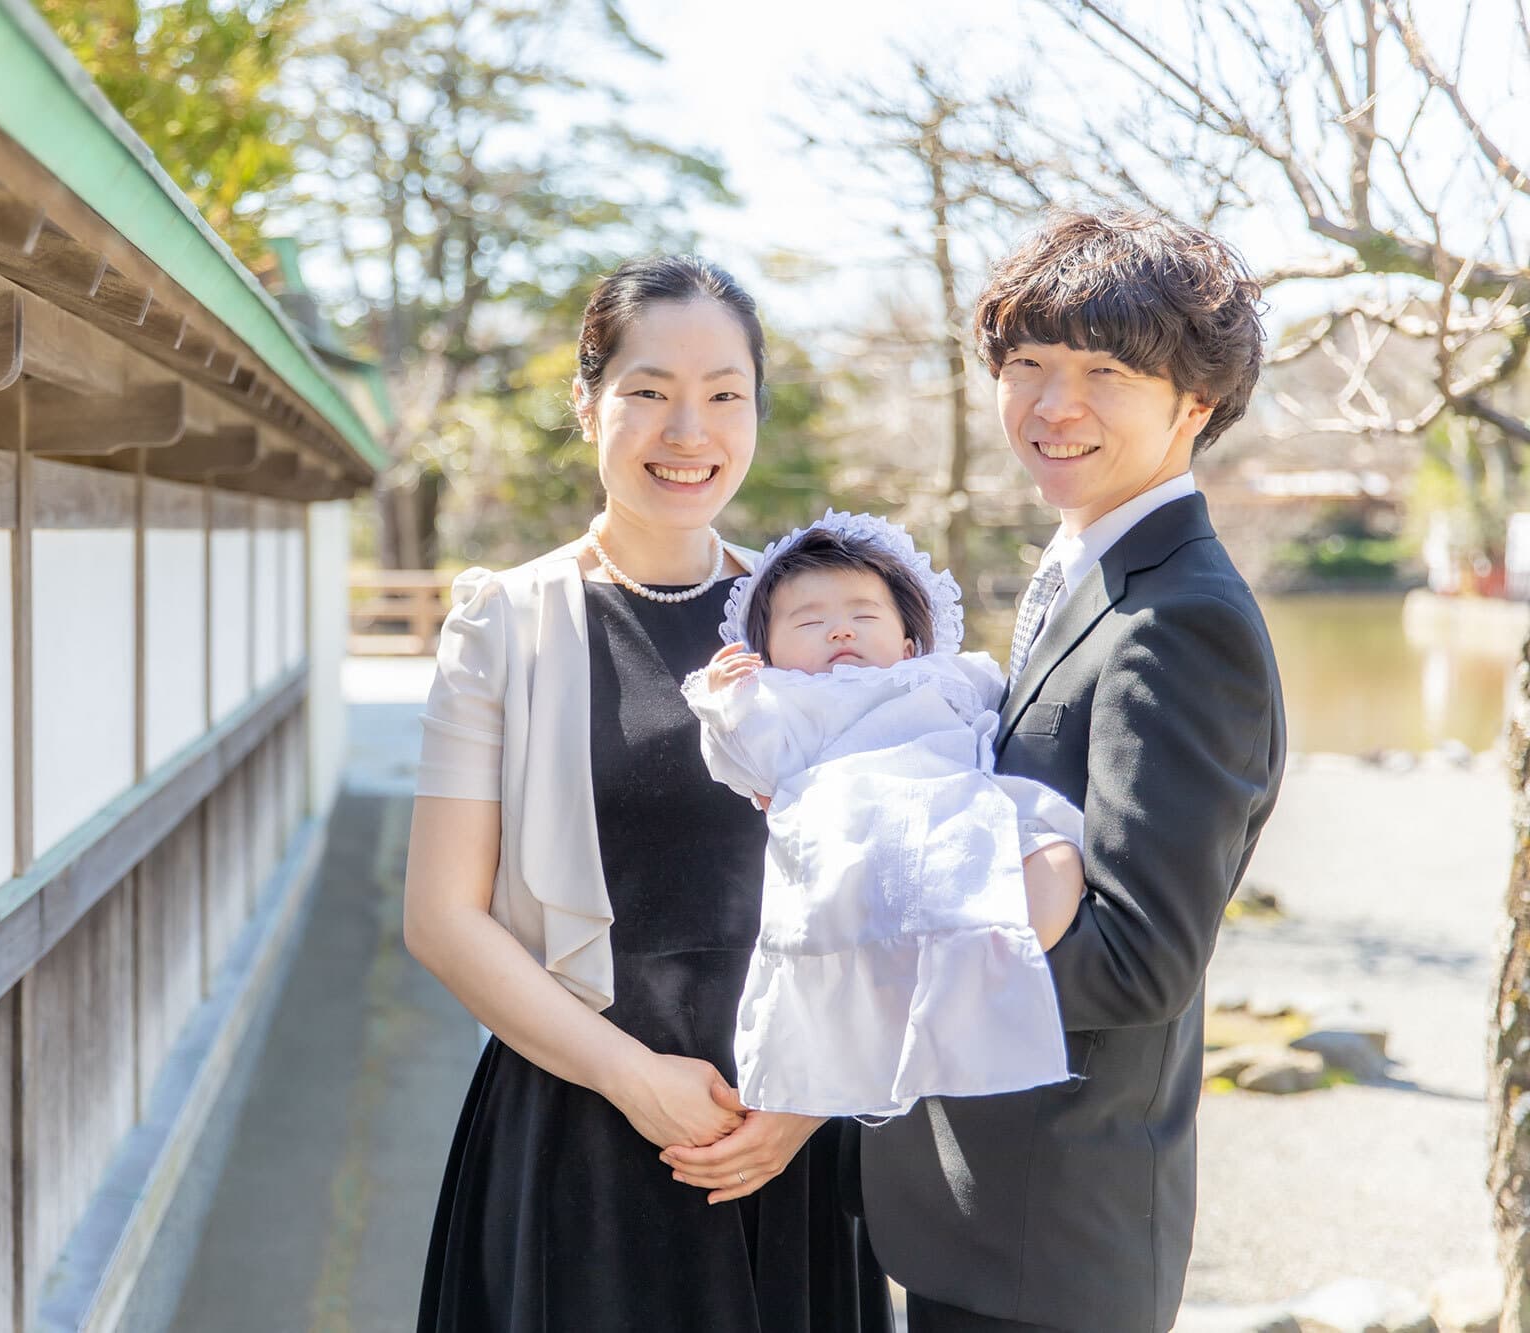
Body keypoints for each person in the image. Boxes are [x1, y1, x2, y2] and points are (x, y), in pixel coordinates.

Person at [404, 255, 888, 1332]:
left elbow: (889, 889)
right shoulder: (503, 625)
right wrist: (632, 1077)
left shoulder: (816, 619)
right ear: (588, 403)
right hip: (579, 1123)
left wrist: (809, 1102)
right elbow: (440, 918)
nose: (688, 431)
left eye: (724, 394)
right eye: (649, 391)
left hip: (789, 1125)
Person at [850, 209, 1287, 1332]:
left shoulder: (1178, 619)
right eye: (1029, 366)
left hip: (1051, 1242)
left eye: (1105, 374)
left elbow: (1138, 960)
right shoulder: (1087, 569)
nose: (1054, 406)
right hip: (989, 1221)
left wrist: (880, 976)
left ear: (1195, 403)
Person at [679, 512, 1086, 1121]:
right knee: (858, 924)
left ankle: (989, 966)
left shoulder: (944, 674)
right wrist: (725, 703)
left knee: (1054, 850)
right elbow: (746, 764)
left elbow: (1001, 719)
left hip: (957, 812)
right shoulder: (787, 701)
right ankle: (905, 1008)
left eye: (864, 616)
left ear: (908, 643)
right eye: (809, 622)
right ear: (768, 656)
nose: (840, 630)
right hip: (856, 828)